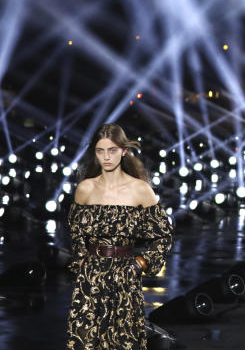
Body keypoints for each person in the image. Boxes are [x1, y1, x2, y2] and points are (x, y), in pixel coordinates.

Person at [67, 123, 173, 350]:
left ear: (124, 151)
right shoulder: (85, 189)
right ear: (94, 153)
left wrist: (141, 263)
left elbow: (163, 235)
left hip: (126, 277)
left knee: (123, 342)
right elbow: (76, 231)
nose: (106, 157)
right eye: (100, 150)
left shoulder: (140, 190)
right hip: (90, 280)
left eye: (112, 150)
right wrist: (82, 261)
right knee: (85, 342)